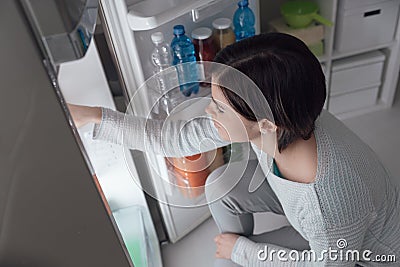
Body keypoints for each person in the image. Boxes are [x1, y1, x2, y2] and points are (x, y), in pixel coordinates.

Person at [68, 33, 400, 266]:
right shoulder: (287, 109)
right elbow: (171, 138)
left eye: (220, 108)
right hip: (312, 214)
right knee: (219, 185)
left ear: (267, 125)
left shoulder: (330, 207)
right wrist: (88, 116)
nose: (209, 113)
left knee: (236, 253)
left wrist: (242, 251)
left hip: (356, 254)